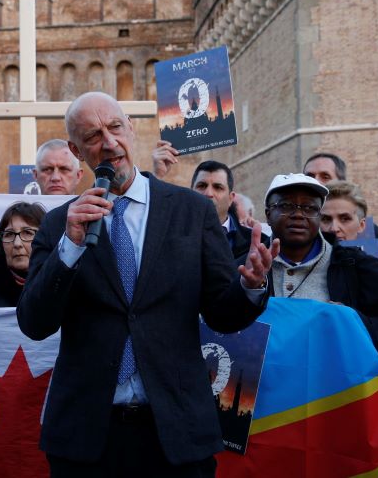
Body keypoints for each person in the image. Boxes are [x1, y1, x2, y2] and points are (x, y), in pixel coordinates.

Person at [18, 92, 271, 476]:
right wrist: (69, 247)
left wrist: (251, 286)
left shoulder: (192, 210)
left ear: (131, 129)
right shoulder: (58, 224)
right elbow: (35, 323)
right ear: (75, 150)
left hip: (176, 431)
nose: (109, 143)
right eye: (92, 136)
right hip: (86, 437)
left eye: (115, 127)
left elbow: (222, 313)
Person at [243, 173, 378, 353]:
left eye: (309, 208)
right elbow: (219, 322)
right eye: (286, 205)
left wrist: (352, 320)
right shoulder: (243, 266)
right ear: (268, 214)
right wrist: (250, 289)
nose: (298, 214)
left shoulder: (366, 269)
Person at [189, 160, 265, 260]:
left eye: (218, 187)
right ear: (190, 194)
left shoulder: (260, 243)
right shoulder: (169, 235)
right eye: (202, 186)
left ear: (231, 198)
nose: (208, 193)